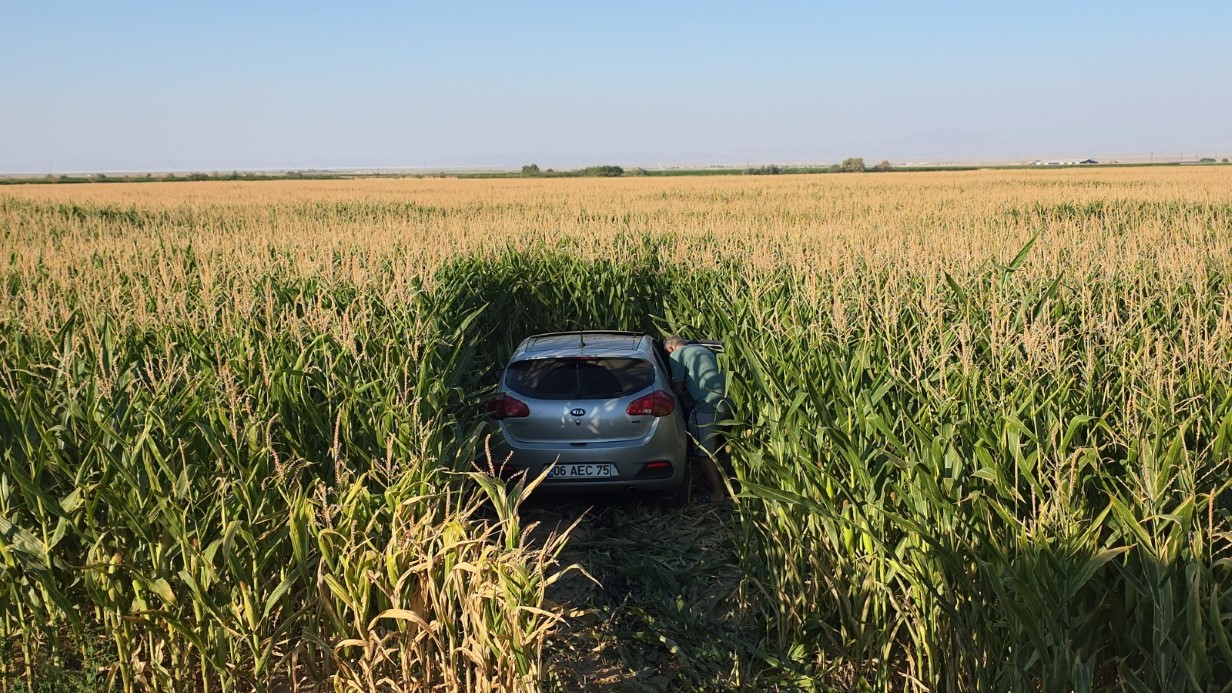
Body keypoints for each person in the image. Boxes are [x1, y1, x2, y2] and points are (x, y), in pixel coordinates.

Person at [664, 335, 729, 501]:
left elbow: (677, 390)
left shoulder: (676, 356)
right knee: (720, 445)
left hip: (707, 407)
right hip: (727, 403)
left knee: (704, 453)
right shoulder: (704, 350)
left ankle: (717, 494)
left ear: (671, 348)